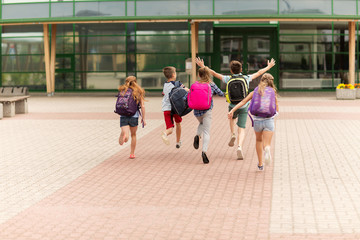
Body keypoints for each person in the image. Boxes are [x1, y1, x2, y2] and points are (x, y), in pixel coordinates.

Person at [195, 57, 276, 160]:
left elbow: (214, 74)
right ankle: (239, 146)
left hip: (232, 105)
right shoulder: (246, 78)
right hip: (243, 106)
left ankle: (232, 133)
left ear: (231, 70)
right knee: (241, 128)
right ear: (241, 70)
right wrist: (268, 66)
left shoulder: (228, 78)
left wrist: (203, 66)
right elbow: (259, 73)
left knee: (232, 118)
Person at [228, 73, 279, 171]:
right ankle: (267, 148)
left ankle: (260, 164)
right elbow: (276, 109)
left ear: (261, 80)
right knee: (266, 143)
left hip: (257, 122)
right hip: (269, 121)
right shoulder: (273, 92)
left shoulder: (255, 91)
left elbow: (243, 102)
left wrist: (232, 110)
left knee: (259, 140)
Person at [192, 67, 225, 164]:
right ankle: (204, 151)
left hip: (196, 111)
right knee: (206, 131)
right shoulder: (211, 84)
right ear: (208, 75)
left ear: (199, 75)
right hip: (207, 110)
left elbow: (189, 96)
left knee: (201, 123)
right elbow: (220, 93)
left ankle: (197, 135)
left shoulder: (195, 84)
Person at [118, 76, 146, 159]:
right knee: (133, 135)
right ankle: (132, 153)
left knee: (126, 133)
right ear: (135, 82)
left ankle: (124, 134)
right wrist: (143, 118)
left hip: (123, 115)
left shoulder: (123, 90)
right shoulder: (138, 92)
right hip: (134, 116)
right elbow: (143, 106)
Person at [161, 66, 189, 148]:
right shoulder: (178, 84)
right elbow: (186, 90)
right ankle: (178, 141)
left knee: (170, 128)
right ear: (173, 75)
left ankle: (165, 133)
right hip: (176, 108)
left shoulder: (165, 85)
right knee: (178, 124)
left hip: (166, 109)